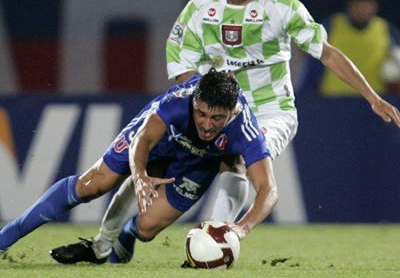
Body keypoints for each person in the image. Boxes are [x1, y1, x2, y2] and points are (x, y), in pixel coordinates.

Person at [50, 0, 400, 265]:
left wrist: (372, 97)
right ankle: (106, 240)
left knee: (239, 160)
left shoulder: (281, 6)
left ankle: (214, 239)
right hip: (218, 110)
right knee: (147, 171)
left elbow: (327, 54)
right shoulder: (201, 8)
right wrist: (196, 114)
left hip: (271, 111)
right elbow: (184, 70)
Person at [0, 70, 277, 263]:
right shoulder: (177, 103)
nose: (206, 124)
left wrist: (241, 229)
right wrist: (141, 174)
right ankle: (4, 238)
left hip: (200, 160)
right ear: (194, 102)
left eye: (216, 118)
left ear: (232, 113)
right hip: (161, 139)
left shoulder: (245, 129)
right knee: (95, 184)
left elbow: (268, 191)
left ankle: (126, 238)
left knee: (146, 229)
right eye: (201, 113)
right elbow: (142, 141)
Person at [301, 0, 400, 95]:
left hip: (373, 102)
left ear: (375, 6)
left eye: (367, 3)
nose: (362, 8)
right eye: (357, 3)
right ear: (349, 5)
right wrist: (304, 95)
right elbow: (314, 66)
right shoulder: (331, 26)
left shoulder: (386, 30)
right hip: (334, 101)